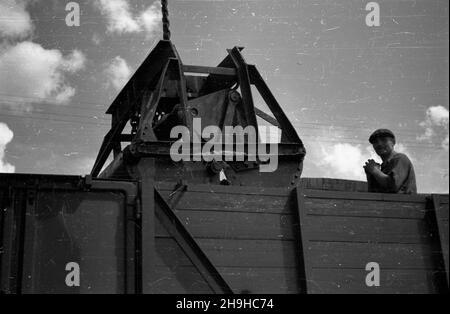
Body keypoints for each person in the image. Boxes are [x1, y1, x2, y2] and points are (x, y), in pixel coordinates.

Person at [364, 129, 417, 194]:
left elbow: (393, 186)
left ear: (393, 142)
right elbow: (374, 194)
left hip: (403, 203)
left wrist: (374, 170)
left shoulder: (400, 158)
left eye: (384, 140)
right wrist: (370, 175)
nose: (379, 144)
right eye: (375, 142)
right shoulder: (382, 169)